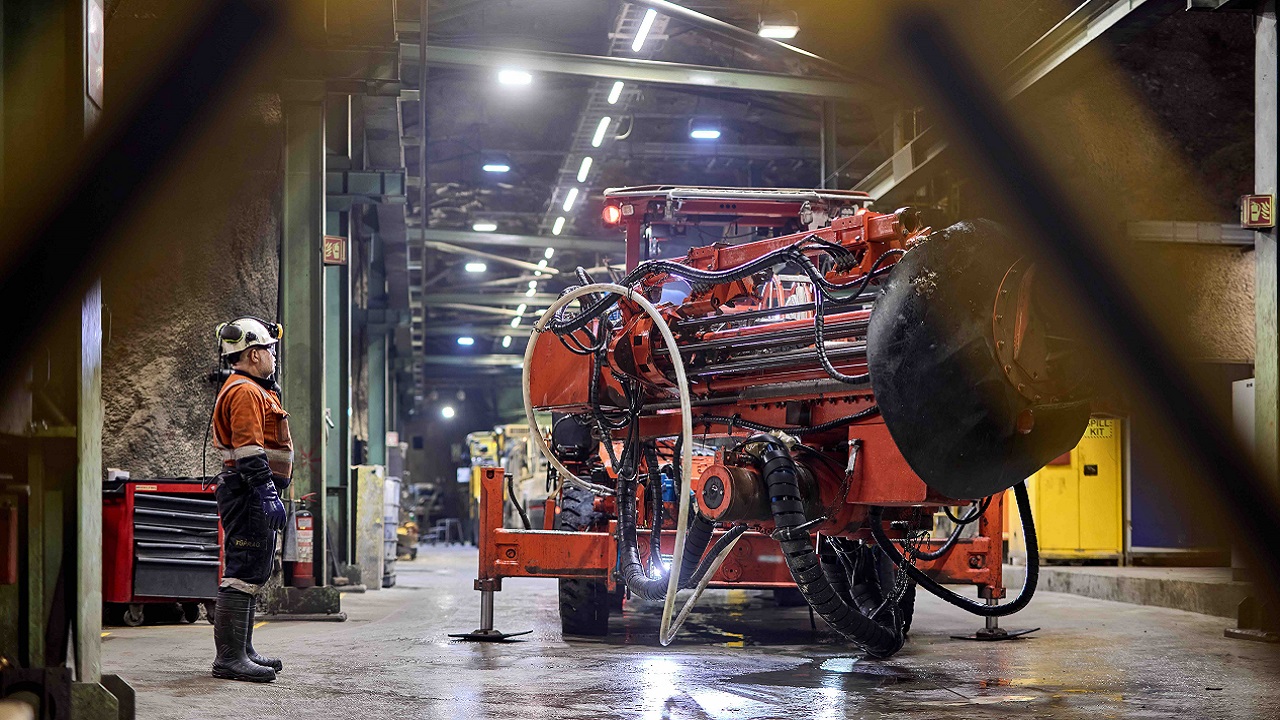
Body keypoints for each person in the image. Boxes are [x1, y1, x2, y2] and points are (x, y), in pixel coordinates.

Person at [209, 317, 292, 682]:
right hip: (249, 493)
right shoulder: (244, 391)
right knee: (241, 573)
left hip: (253, 492)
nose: (274, 358)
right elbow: (248, 450)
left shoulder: (254, 388)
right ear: (255, 354)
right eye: (270, 352)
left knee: (254, 572)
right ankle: (229, 658)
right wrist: (267, 493)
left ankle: (243, 649)